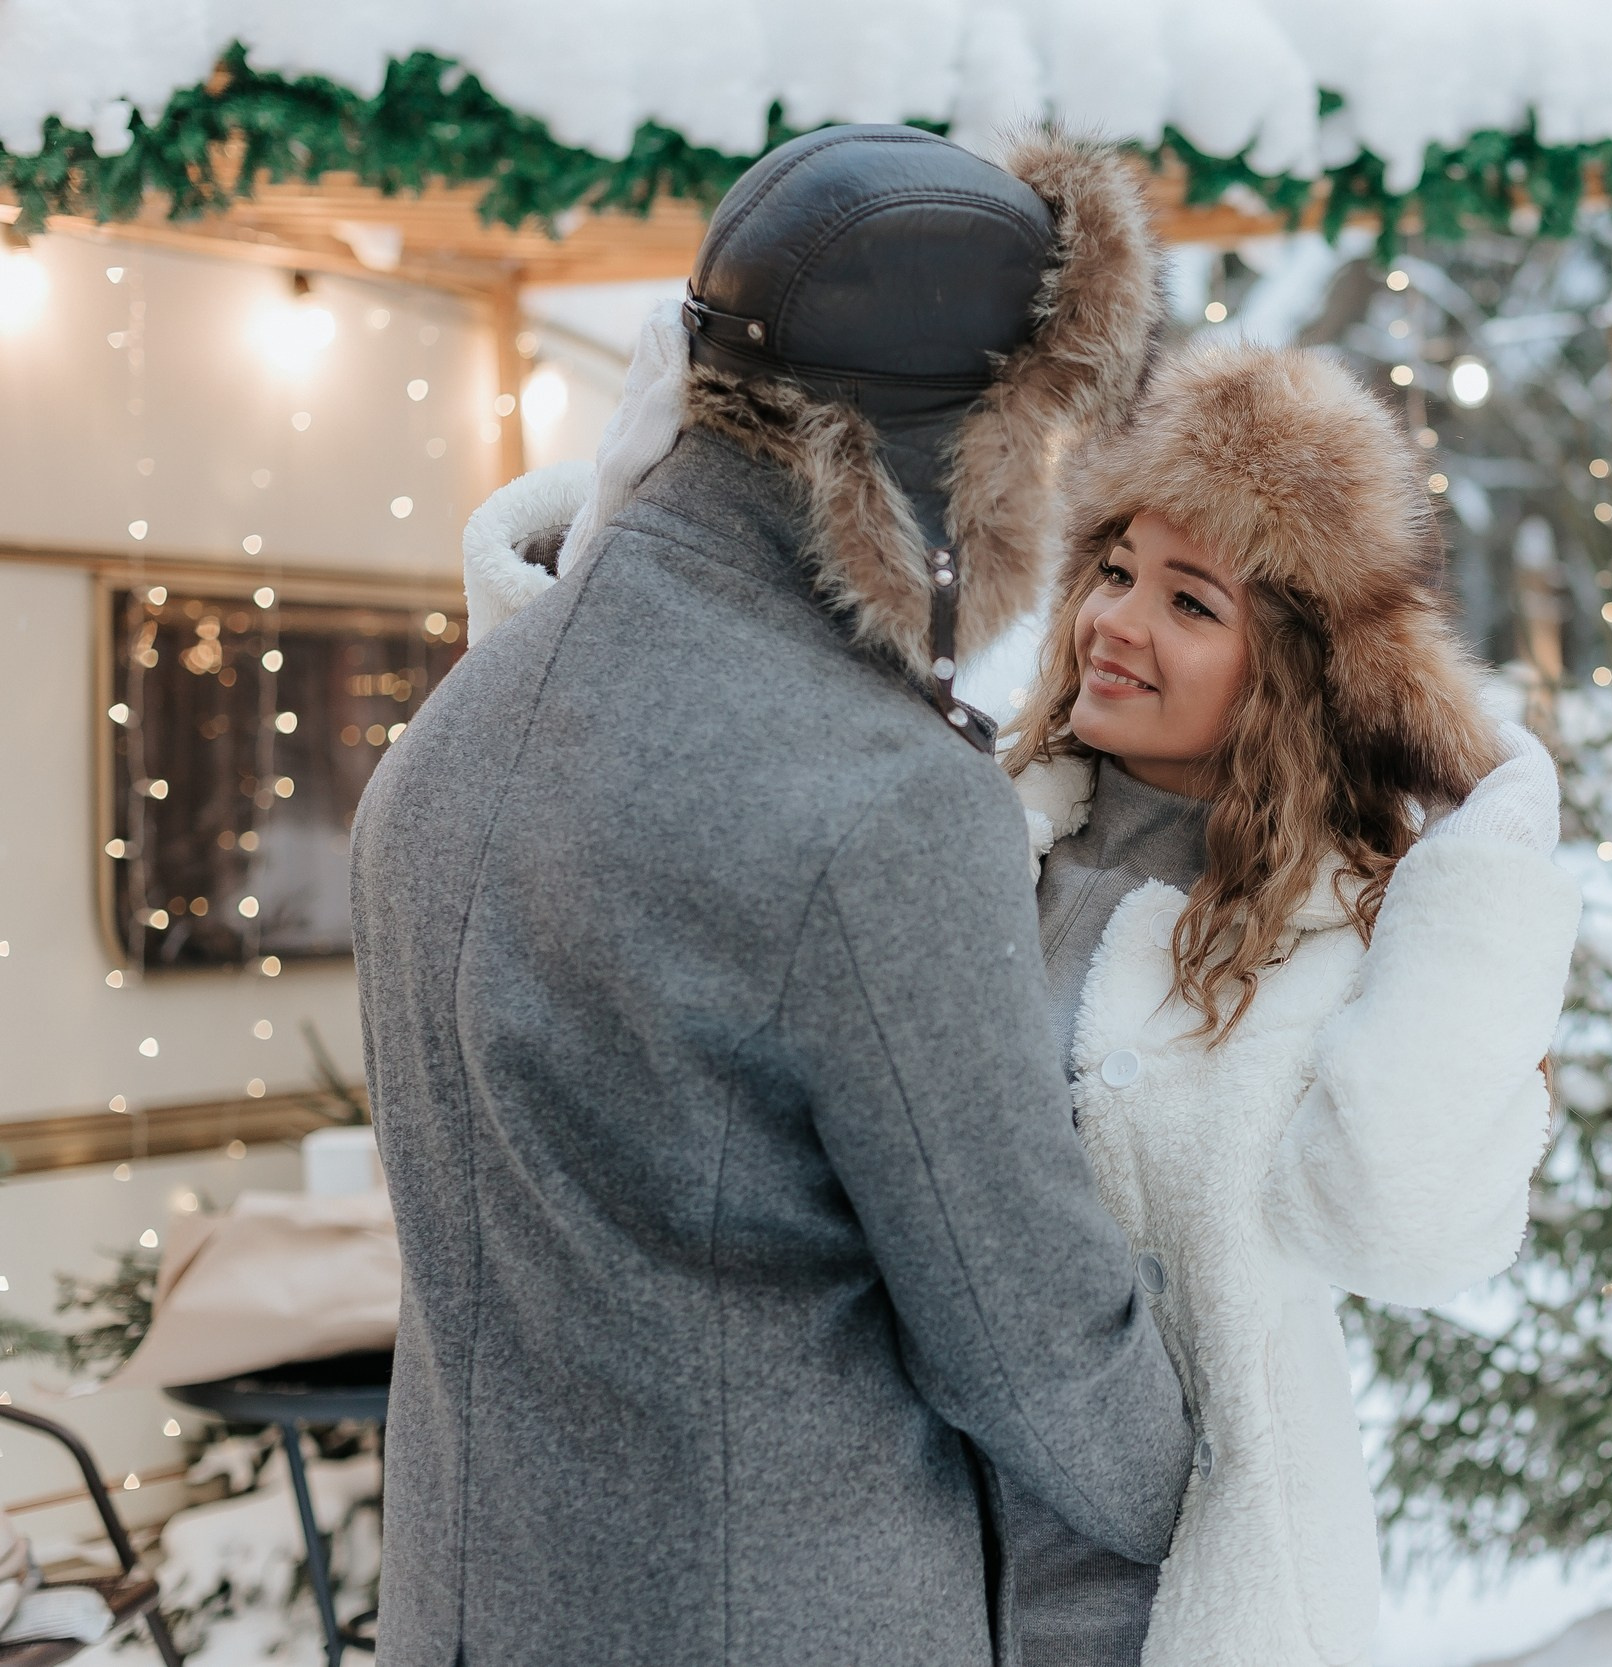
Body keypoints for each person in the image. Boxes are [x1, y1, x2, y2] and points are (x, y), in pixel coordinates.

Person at [350, 127, 1192, 1667]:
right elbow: (1030, 1343)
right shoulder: (879, 801)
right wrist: (1220, 1475)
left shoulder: (455, 727)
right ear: (958, 453)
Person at [1000, 341, 1582, 1667]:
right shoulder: (987, 844)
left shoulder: (1332, 938)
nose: (1116, 624)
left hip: (1191, 1597)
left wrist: (1495, 834)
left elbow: (1405, 1231)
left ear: (1288, 671)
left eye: (1191, 603)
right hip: (932, 1575)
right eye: (1113, 570)